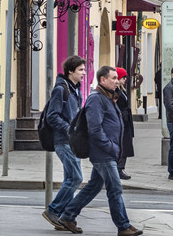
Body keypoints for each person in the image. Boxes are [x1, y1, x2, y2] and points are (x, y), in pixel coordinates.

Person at [58, 66, 143, 236]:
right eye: (113, 78)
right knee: (115, 188)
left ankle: (67, 216)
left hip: (108, 152)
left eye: (116, 78)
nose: (116, 81)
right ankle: (123, 226)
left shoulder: (109, 97)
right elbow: (94, 128)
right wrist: (110, 146)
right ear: (102, 80)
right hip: (103, 153)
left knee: (93, 187)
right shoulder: (96, 99)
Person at [42, 56, 85, 230]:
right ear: (70, 71)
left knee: (70, 178)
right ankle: (54, 210)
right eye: (80, 69)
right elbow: (52, 115)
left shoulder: (75, 90)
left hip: (72, 141)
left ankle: (62, 218)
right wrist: (70, 129)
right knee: (76, 178)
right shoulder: (61, 89)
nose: (83, 72)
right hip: (63, 140)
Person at [115, 68, 135, 180]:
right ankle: (119, 168)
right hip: (122, 120)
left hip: (126, 120)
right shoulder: (116, 91)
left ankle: (121, 167)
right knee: (122, 145)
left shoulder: (122, 90)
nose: (125, 79)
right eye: (123, 77)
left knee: (126, 144)